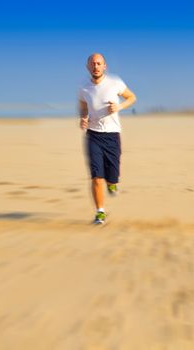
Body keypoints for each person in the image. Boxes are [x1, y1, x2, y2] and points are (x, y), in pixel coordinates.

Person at [78, 53, 137, 225]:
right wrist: (83, 118)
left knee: (112, 176)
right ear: (88, 67)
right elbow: (83, 106)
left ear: (105, 66)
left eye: (99, 64)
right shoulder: (83, 87)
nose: (96, 66)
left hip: (112, 135)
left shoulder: (115, 82)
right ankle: (100, 212)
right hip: (93, 135)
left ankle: (112, 183)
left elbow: (132, 97)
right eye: (93, 64)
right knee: (96, 176)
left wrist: (119, 106)